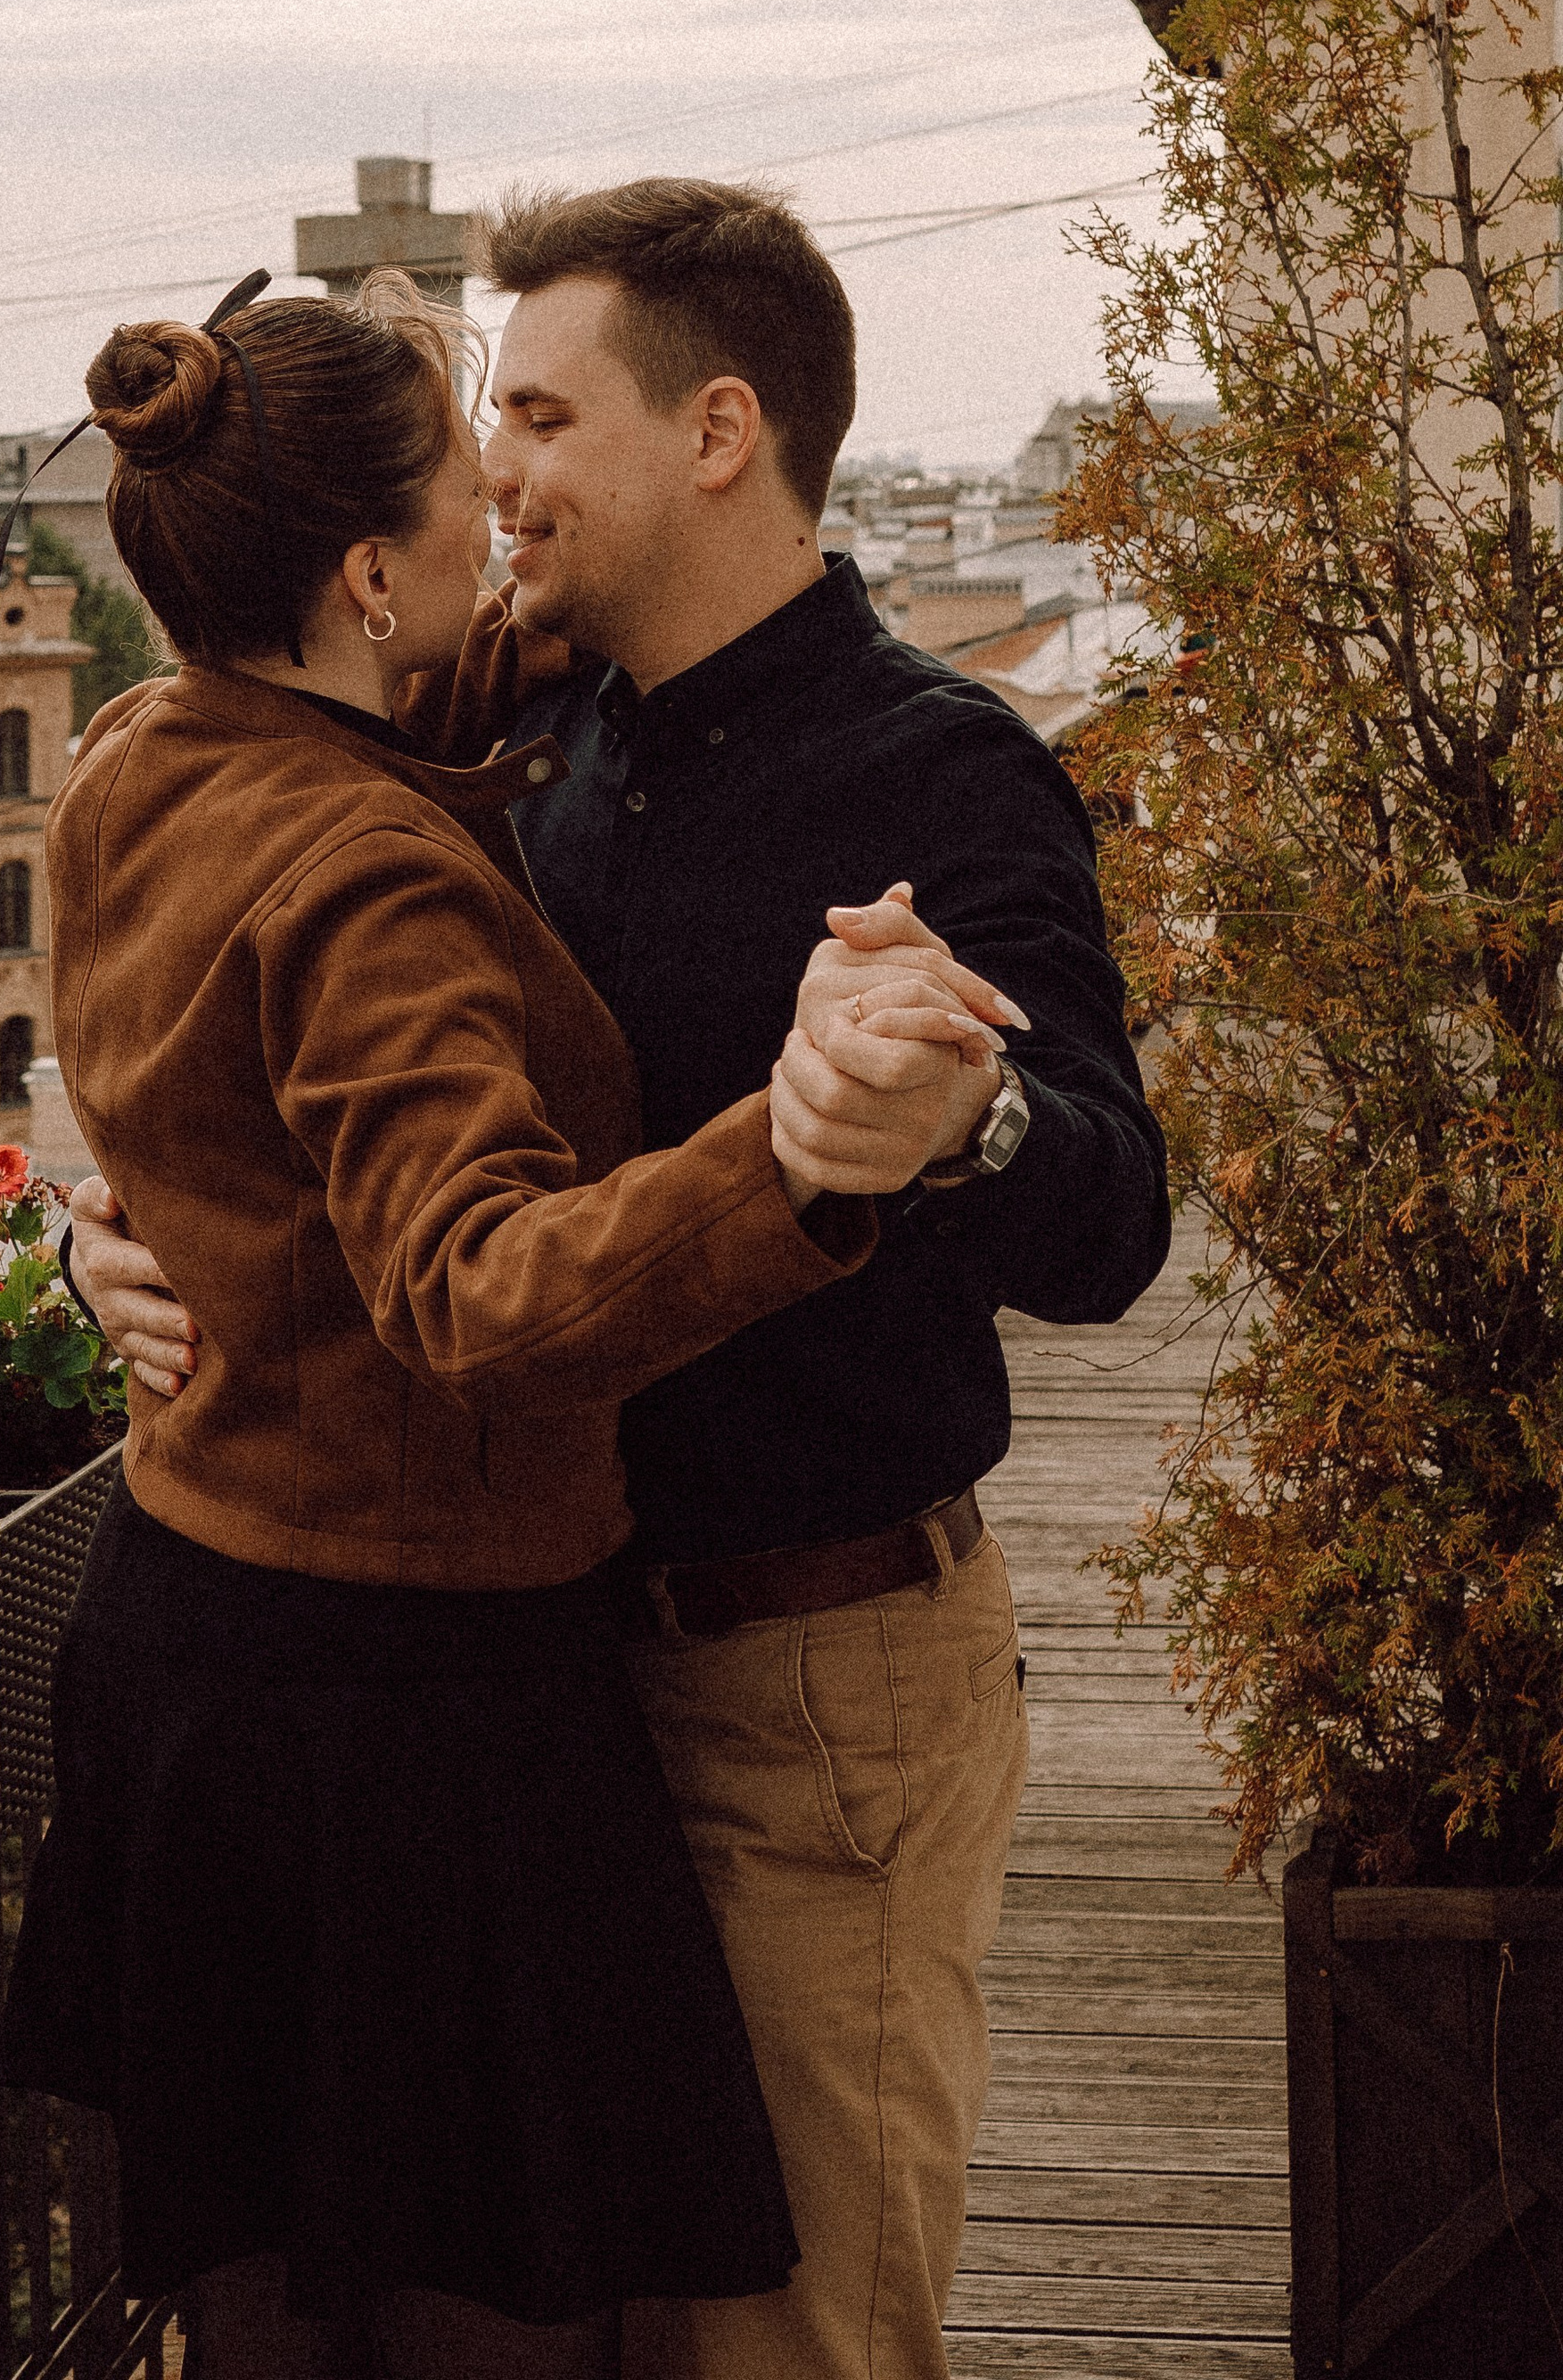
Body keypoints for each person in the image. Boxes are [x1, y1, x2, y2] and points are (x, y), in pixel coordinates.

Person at [69, 179, 1170, 2380]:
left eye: (546, 415)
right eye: (487, 423)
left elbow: (1113, 1209)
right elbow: (223, 902)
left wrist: (961, 1119)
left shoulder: (940, 772)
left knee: (781, 2343)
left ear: (720, 433)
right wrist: (114, 1215)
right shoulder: (520, 719)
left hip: (806, 1695)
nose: (500, 466)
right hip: (521, 1715)